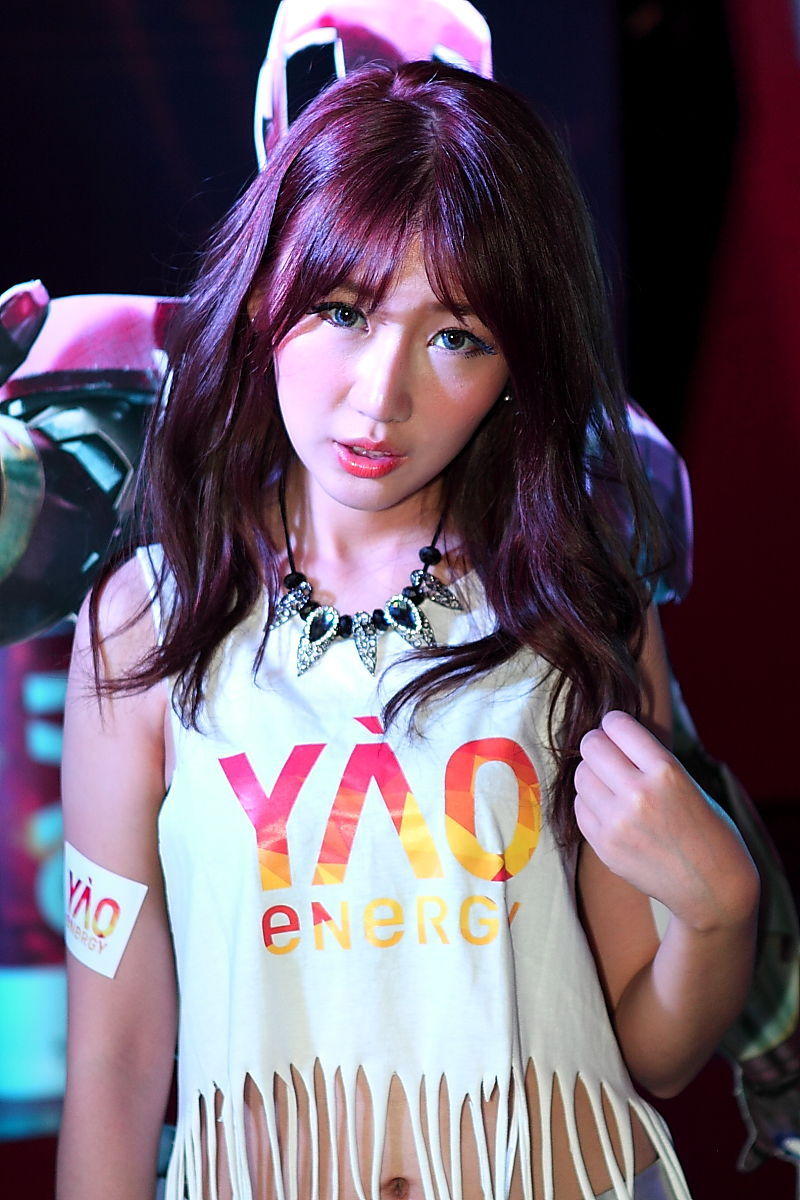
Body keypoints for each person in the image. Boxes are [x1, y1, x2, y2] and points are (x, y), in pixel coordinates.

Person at [57, 61, 759, 1200]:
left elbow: (650, 1049)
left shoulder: (573, 609)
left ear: (517, 368)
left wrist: (720, 909)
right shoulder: (148, 622)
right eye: (343, 312)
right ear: (262, 298)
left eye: (457, 337)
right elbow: (115, 1063)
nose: (378, 397)